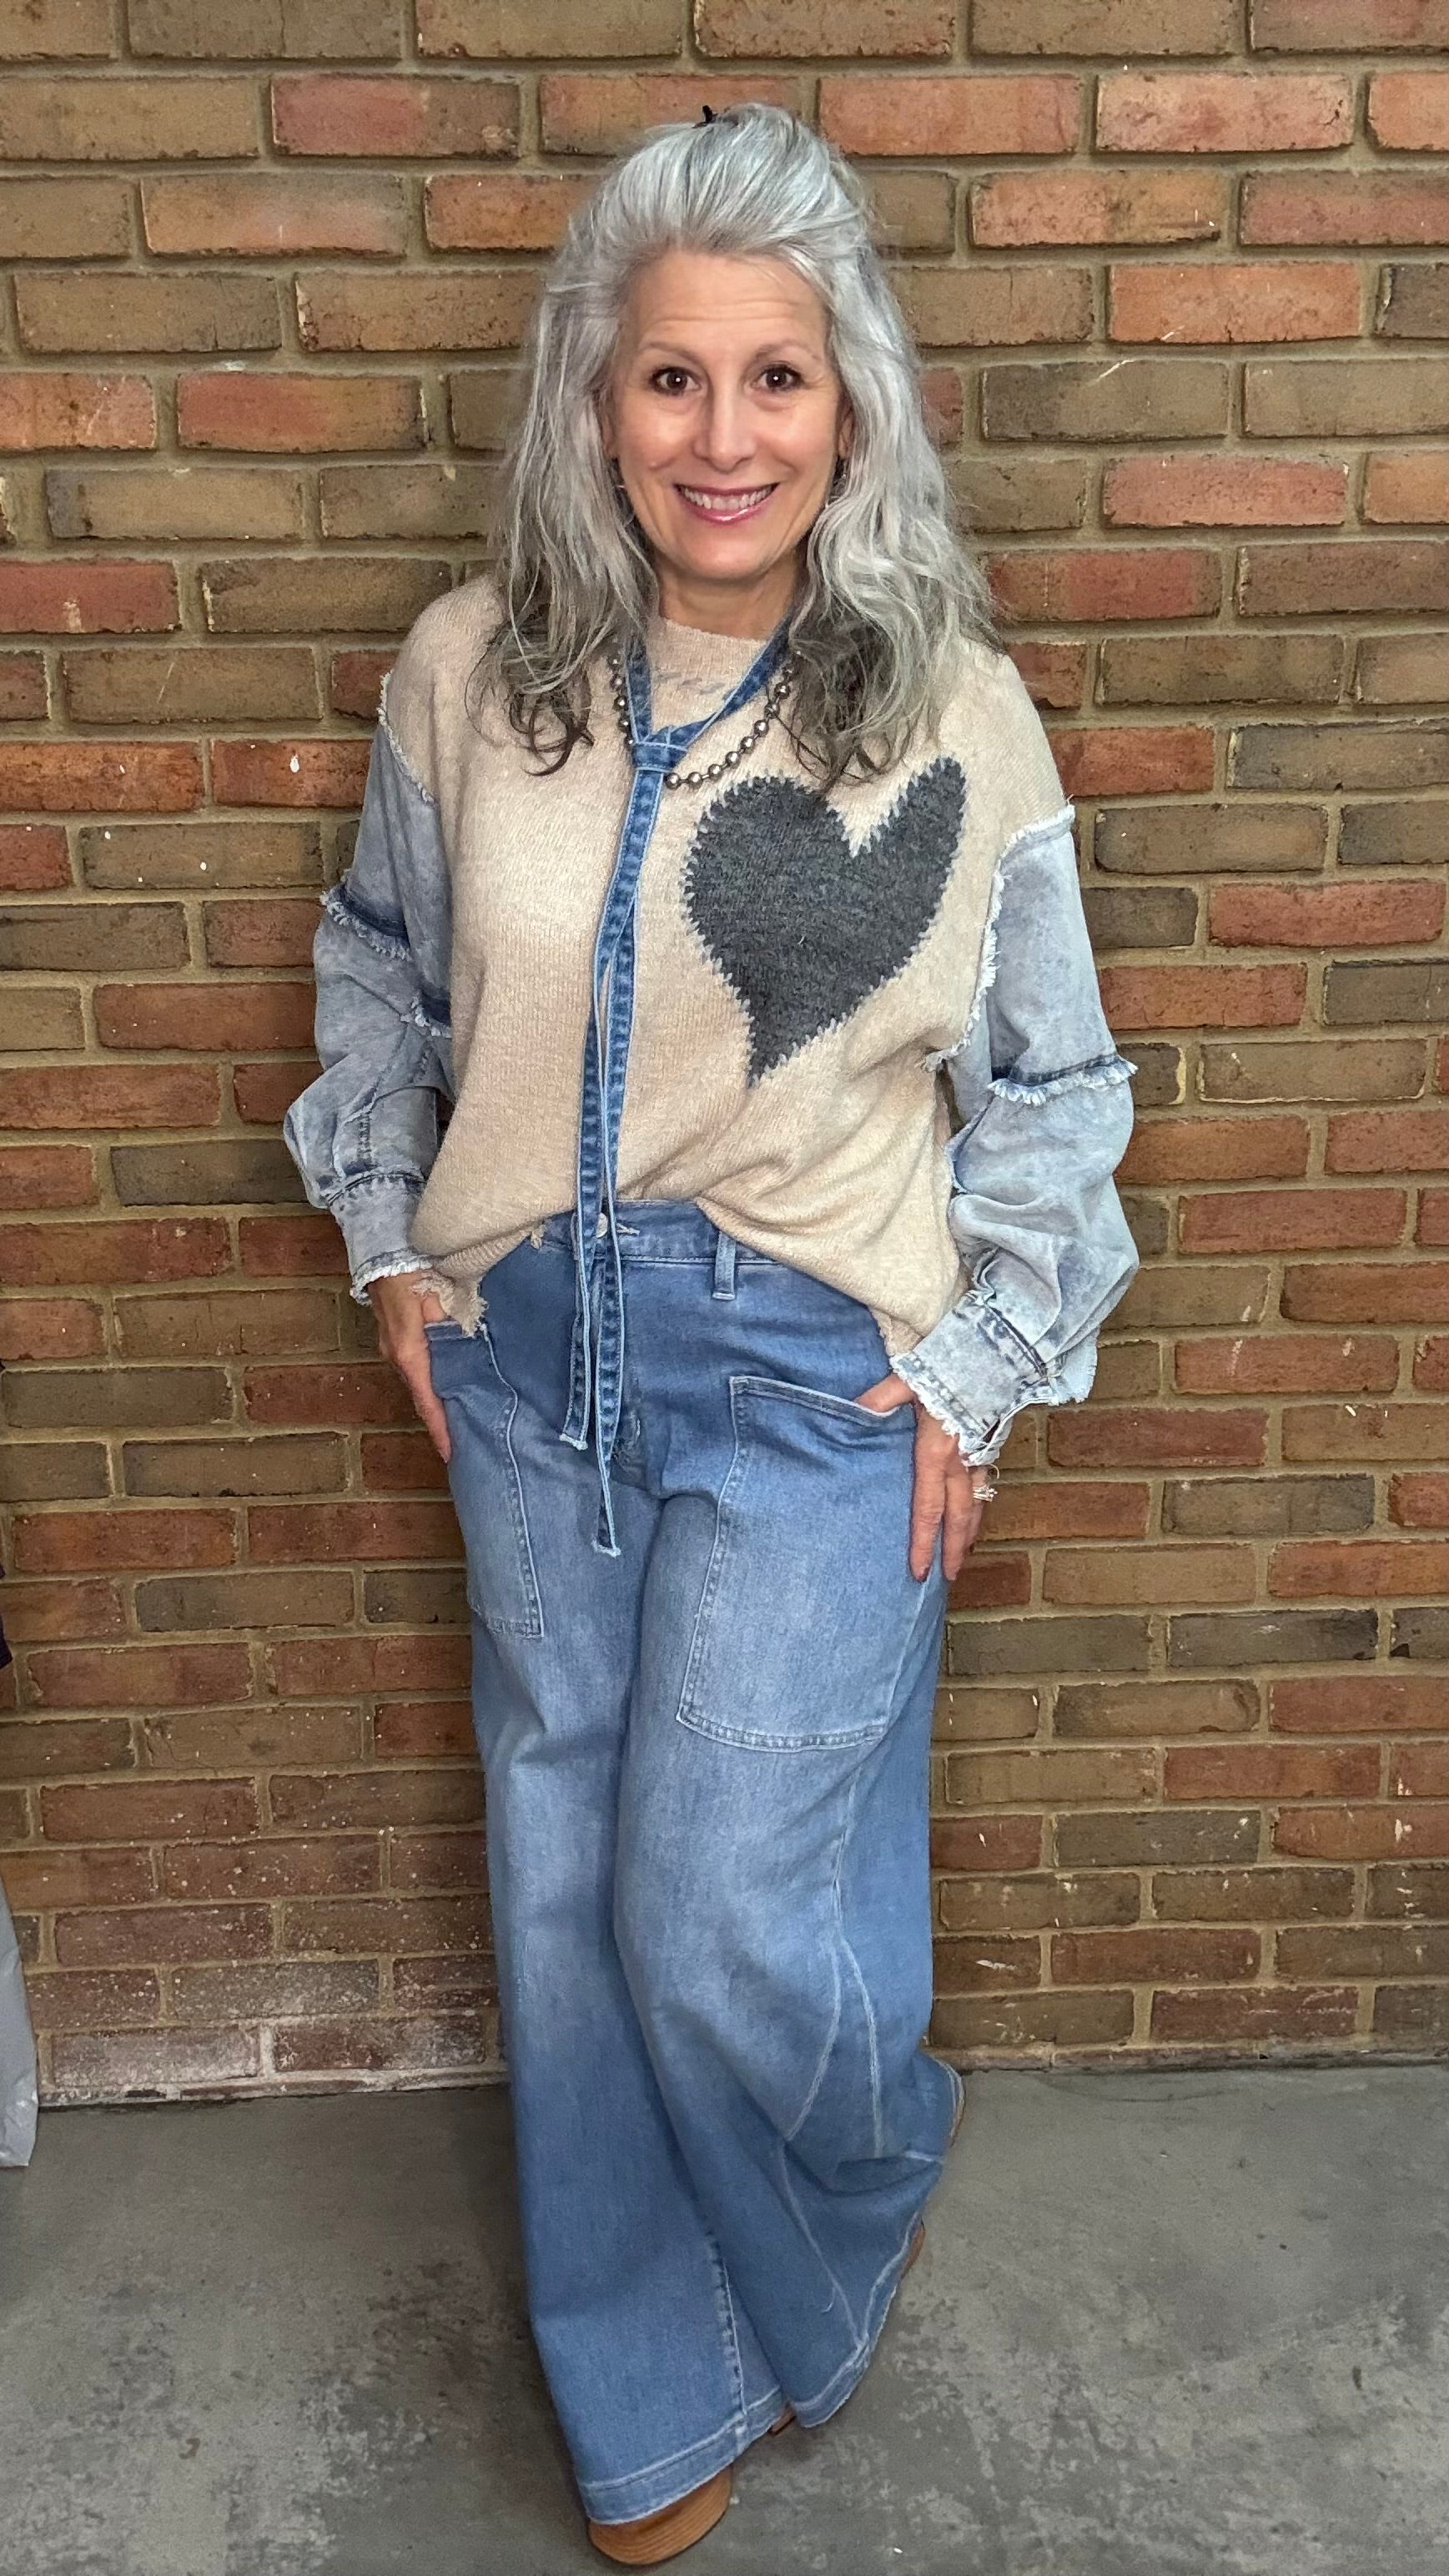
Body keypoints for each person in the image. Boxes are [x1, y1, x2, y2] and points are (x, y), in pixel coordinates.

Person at [283, 100, 1139, 2568]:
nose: (724, 435)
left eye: (777, 377)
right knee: (566, 1905)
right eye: (672, 380)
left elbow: (1054, 1089)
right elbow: (372, 966)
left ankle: (850, 2191)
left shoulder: (948, 713)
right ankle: (644, 2397)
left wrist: (979, 1366)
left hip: (807, 1378)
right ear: (592, 404)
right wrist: (390, 1247)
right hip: (528, 1363)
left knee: (722, 1929)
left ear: (847, 406)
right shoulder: (472, 679)